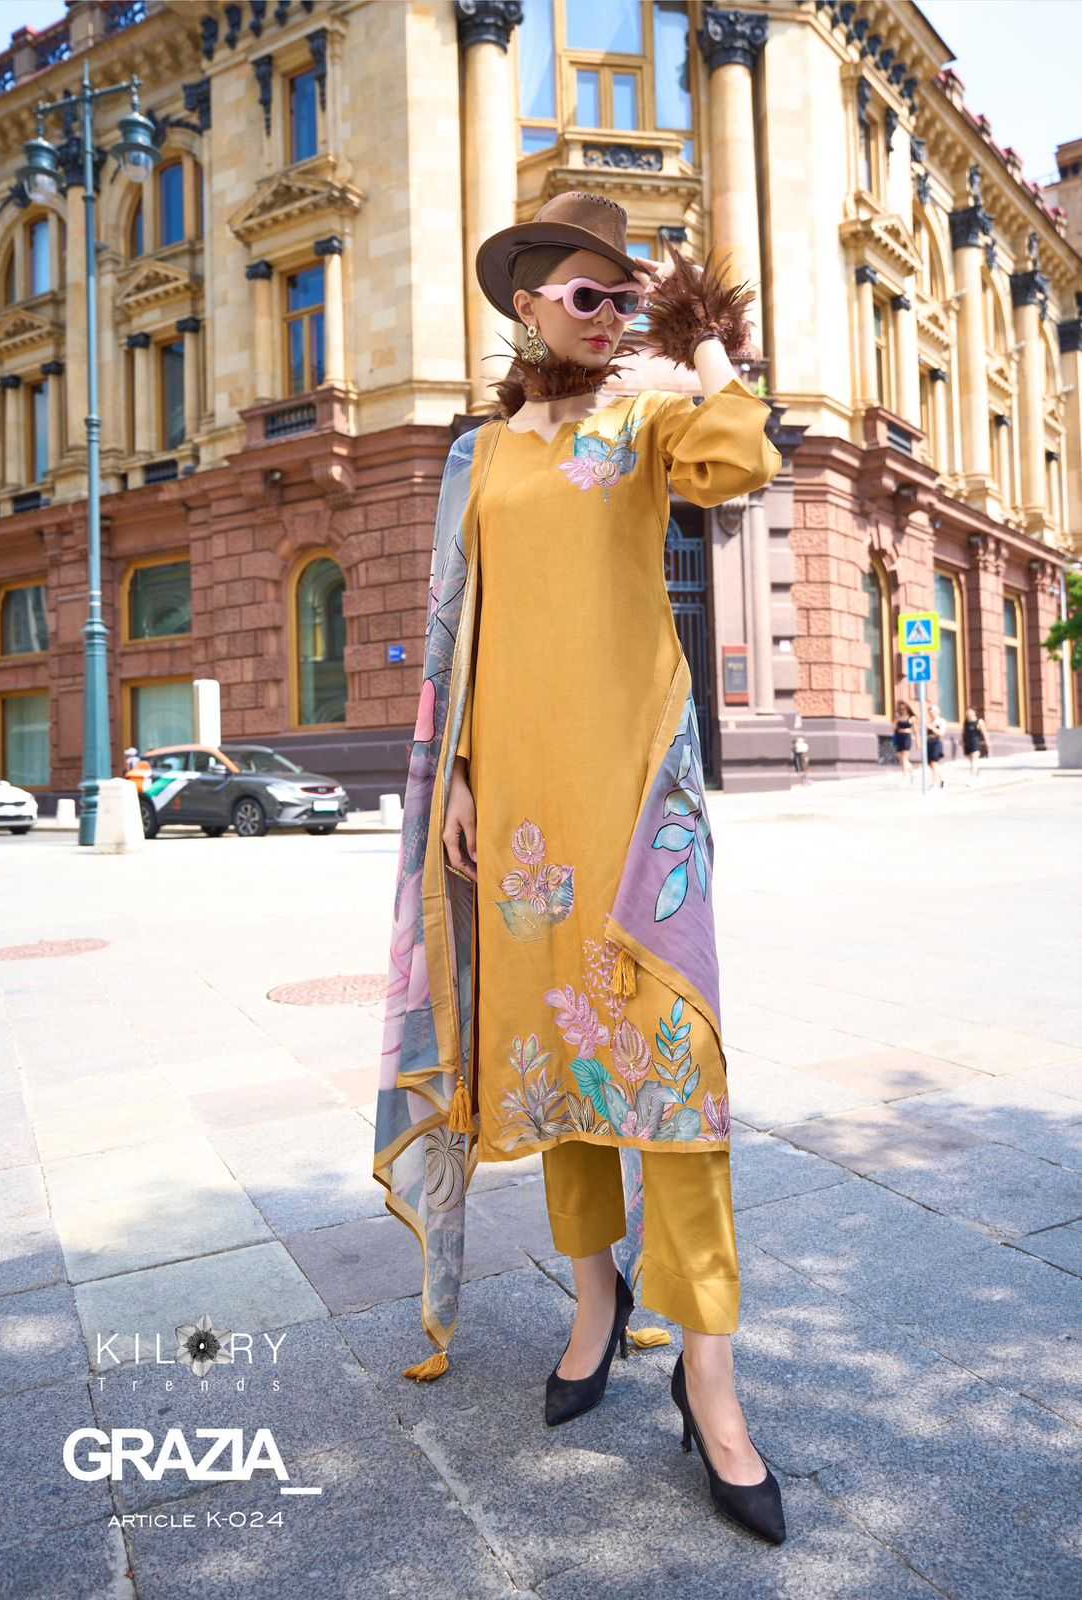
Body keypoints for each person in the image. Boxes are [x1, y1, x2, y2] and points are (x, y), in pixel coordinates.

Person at [373, 191, 786, 1544]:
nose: (610, 317)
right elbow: (464, 626)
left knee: (677, 1074)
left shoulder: (650, 416)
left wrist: (703, 337)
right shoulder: (478, 454)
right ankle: (595, 1301)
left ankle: (710, 1380)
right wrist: (461, 770)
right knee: (558, 1058)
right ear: (529, 304)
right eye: (588, 295)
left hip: (638, 795)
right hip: (519, 810)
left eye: (627, 297)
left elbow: (744, 460)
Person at [961, 706, 987, 781]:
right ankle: (977, 774)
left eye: (969, 711)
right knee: (971, 761)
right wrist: (962, 741)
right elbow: (963, 732)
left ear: (974, 712)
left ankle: (972, 778)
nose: (968, 713)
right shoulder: (966, 722)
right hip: (967, 743)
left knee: (974, 761)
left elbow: (984, 732)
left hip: (976, 743)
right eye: (967, 712)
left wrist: (987, 742)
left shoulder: (979, 721)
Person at [892, 701, 915, 782]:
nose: (902, 710)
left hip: (906, 738)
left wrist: (918, 741)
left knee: (904, 758)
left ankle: (904, 776)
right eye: (900, 708)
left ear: (907, 708)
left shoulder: (911, 717)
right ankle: (911, 769)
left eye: (903, 708)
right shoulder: (898, 717)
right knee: (900, 758)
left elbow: (914, 730)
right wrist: (896, 719)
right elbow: (894, 728)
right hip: (898, 737)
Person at [926, 703, 946, 787]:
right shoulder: (929, 722)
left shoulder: (941, 721)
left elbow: (941, 733)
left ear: (937, 712)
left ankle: (933, 783)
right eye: (929, 712)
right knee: (931, 764)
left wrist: (932, 728)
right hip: (929, 743)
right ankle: (941, 778)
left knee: (934, 763)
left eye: (932, 711)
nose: (931, 713)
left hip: (936, 743)